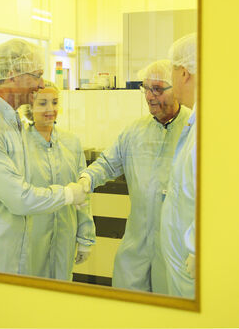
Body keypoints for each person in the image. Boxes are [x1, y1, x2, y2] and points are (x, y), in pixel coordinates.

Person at [78, 60, 191, 293]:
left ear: (176, 90)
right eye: (146, 88)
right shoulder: (135, 131)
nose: (150, 96)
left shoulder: (193, 130)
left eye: (158, 89)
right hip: (136, 246)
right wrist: (86, 180)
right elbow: (109, 163)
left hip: (176, 248)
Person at [0, 38, 87, 275]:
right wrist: (68, 193)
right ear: (14, 74)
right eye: (36, 76)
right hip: (1, 253)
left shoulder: (11, 121)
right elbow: (19, 197)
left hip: (20, 251)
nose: (39, 84)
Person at [19, 81, 96, 280]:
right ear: (30, 107)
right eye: (42, 103)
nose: (50, 109)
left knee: (62, 293)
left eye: (54, 102)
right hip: (31, 238)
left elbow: (83, 195)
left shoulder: (71, 142)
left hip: (65, 235)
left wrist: (85, 237)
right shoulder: (20, 144)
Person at [160, 33, 197, 299]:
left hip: (194, 264)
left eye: (171, 72)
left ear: (183, 73)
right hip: (185, 261)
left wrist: (197, 247)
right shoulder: (195, 120)